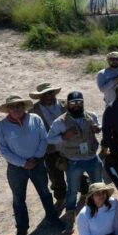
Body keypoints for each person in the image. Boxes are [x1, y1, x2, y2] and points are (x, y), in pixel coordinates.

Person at [0, 94, 64, 235]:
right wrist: (23, 163)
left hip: (37, 164)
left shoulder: (35, 119)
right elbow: (3, 150)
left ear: (23, 106)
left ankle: (52, 218)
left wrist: (36, 158)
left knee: (45, 193)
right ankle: (22, 229)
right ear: (8, 110)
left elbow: (43, 139)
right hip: (16, 168)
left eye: (19, 105)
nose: (16, 109)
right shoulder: (1, 126)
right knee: (19, 199)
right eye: (12, 107)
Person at [46, 90, 103, 219]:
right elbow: (49, 139)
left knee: (98, 186)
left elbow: (99, 126)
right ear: (67, 104)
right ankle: (70, 214)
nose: (76, 105)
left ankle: (100, 208)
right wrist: (63, 136)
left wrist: (98, 129)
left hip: (92, 158)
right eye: (73, 103)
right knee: (72, 191)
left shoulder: (91, 115)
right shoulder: (60, 122)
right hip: (73, 161)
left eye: (79, 102)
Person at [30, 82, 67, 205]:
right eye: (46, 94)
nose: (50, 96)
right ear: (40, 97)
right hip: (50, 149)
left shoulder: (65, 104)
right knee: (56, 177)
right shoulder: (33, 111)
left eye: (51, 92)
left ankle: (84, 192)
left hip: (69, 146)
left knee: (77, 172)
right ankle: (61, 199)